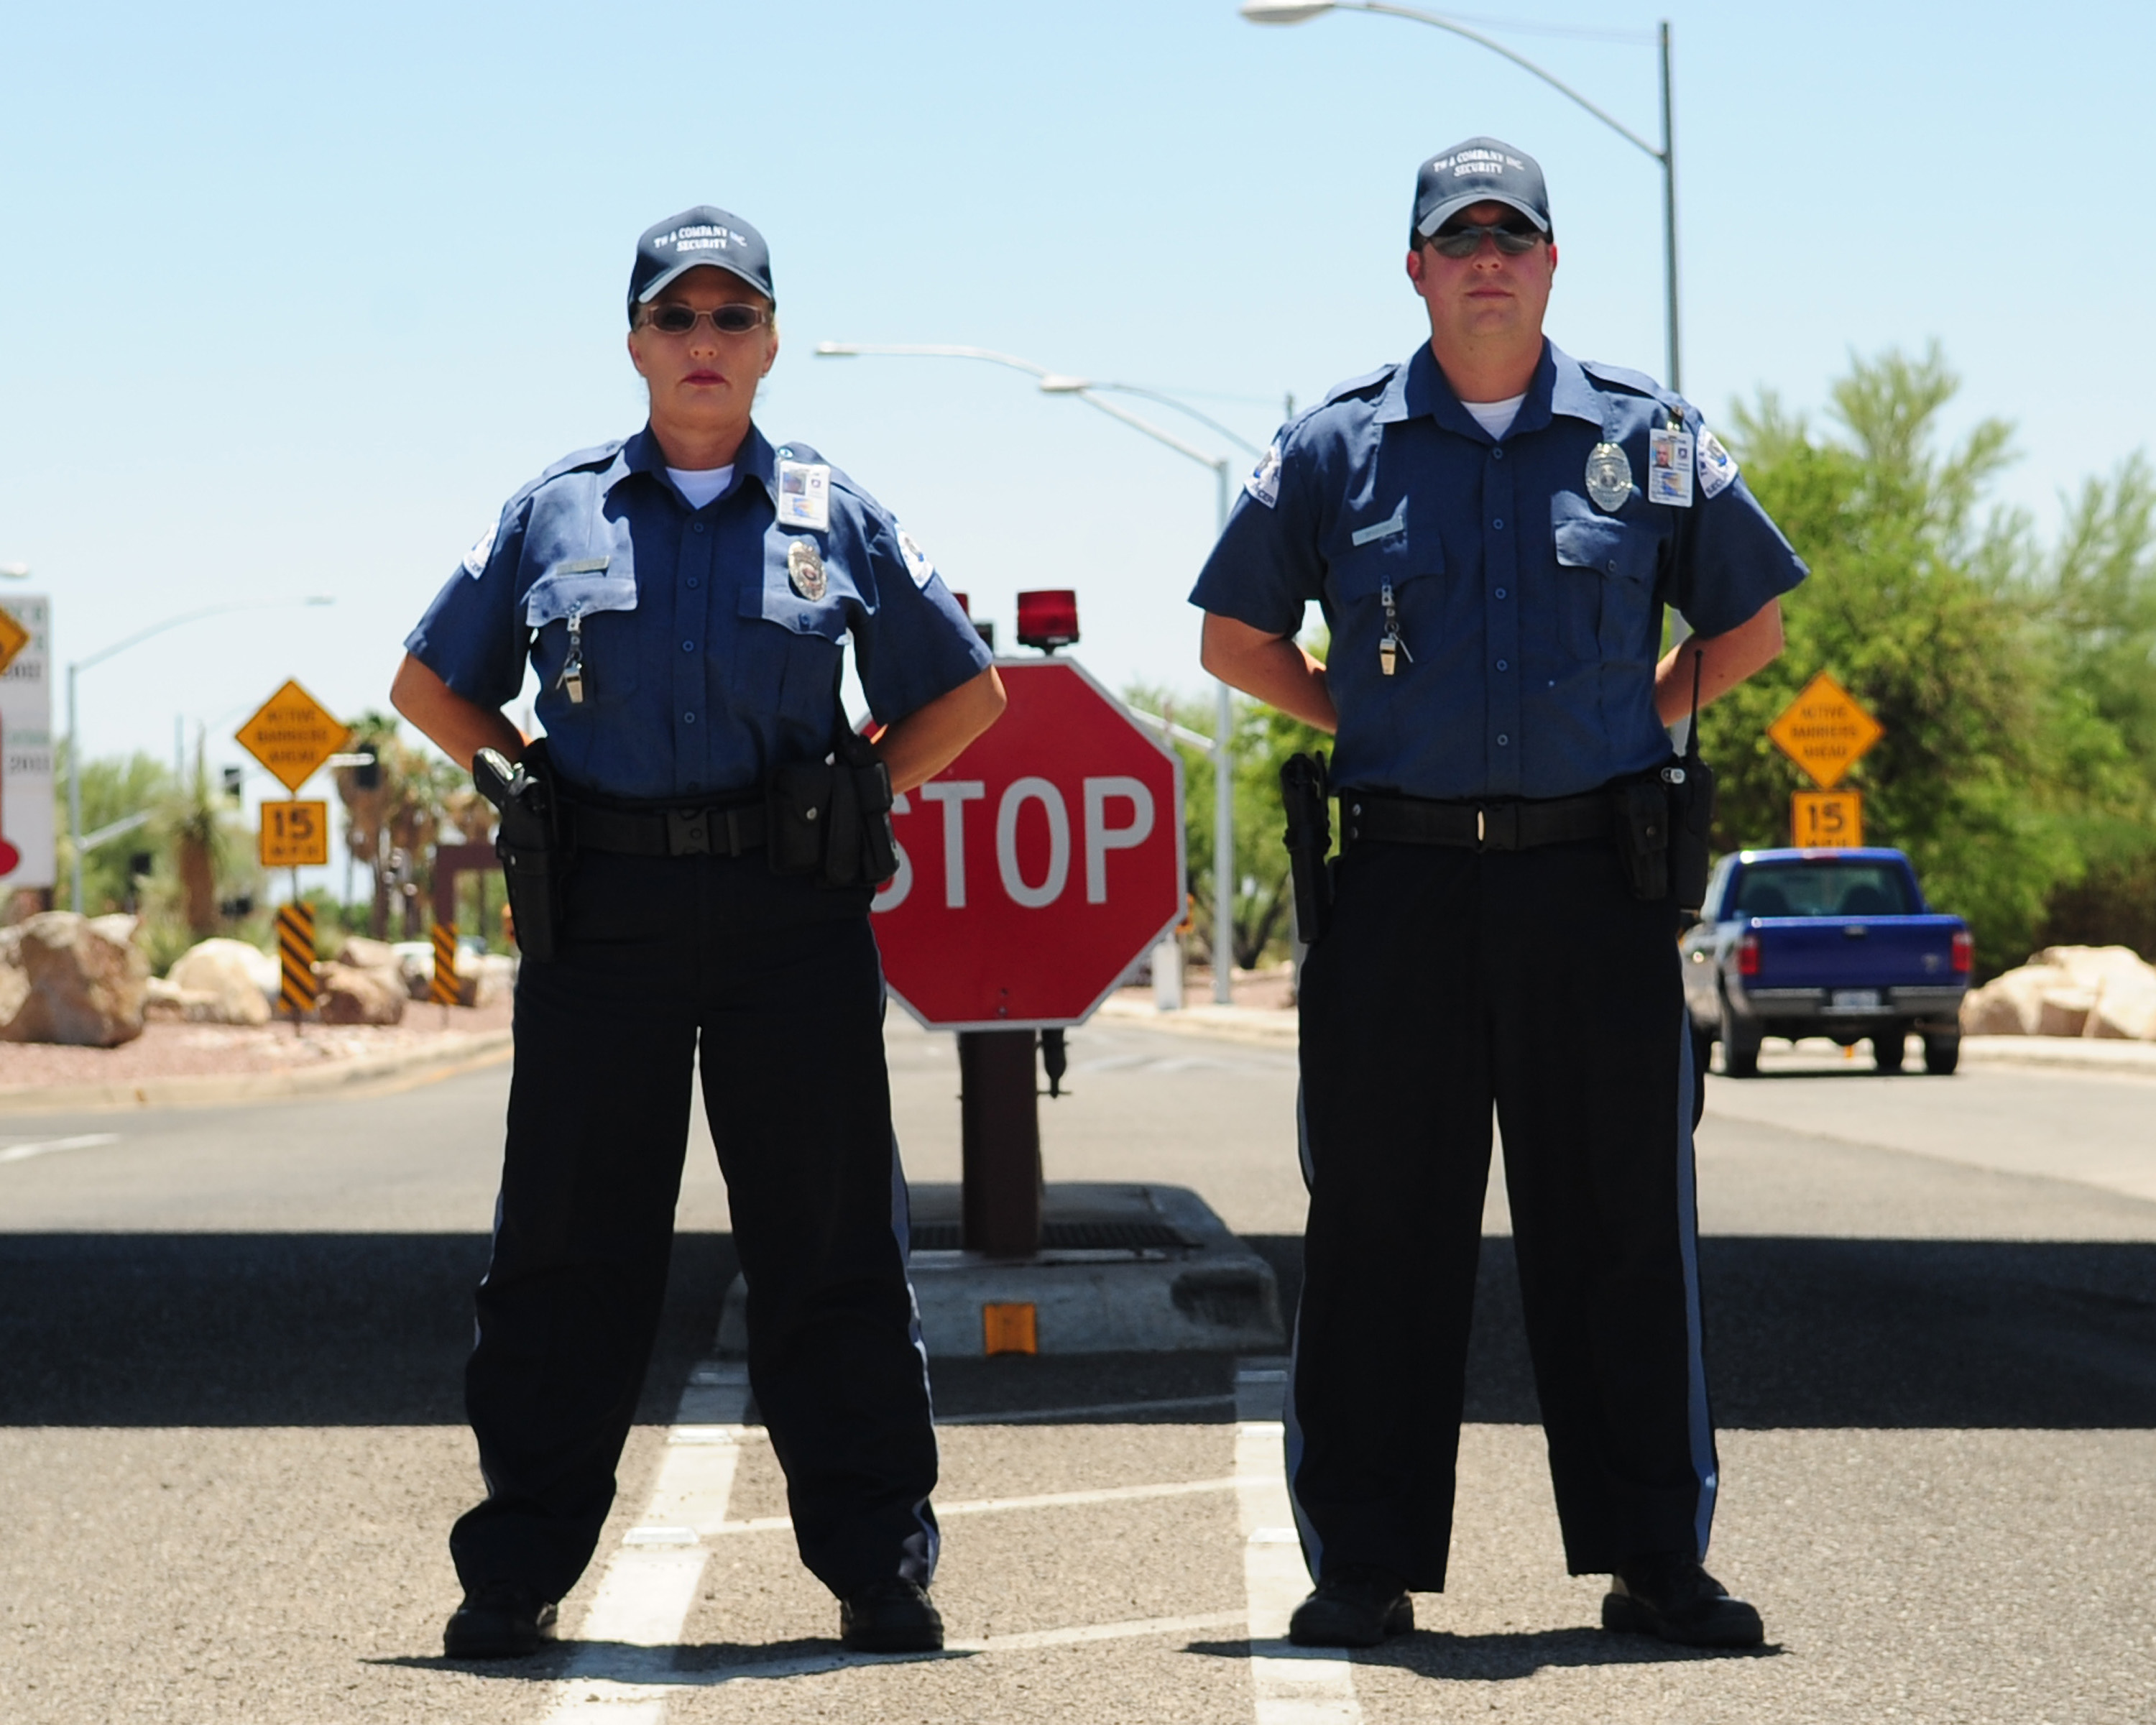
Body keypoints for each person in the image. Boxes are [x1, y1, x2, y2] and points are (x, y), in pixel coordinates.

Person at [1191, 138, 1804, 1650]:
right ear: (1414, 267)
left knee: (1622, 1230)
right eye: (1456, 238)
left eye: (1511, 236)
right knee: (1381, 1231)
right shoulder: (1335, 450)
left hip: (1591, 888)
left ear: (1549, 263)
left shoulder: (1650, 440)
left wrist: (1630, 723)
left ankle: (1660, 1561)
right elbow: (1232, 640)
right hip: (1399, 884)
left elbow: (1753, 621)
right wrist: (1376, 731)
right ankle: (1363, 1565)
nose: (1485, 260)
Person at [391, 206, 1005, 1660]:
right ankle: (517, 1567)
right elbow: (433, 686)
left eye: (733, 319)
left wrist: (858, 785)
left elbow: (964, 694)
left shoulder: (831, 509)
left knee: (831, 1243)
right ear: (635, 343)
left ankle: (878, 1564)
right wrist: (521, 780)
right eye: (678, 318)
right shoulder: (557, 512)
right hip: (603, 911)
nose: (705, 343)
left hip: (791, 913)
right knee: (564, 1246)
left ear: (772, 341)